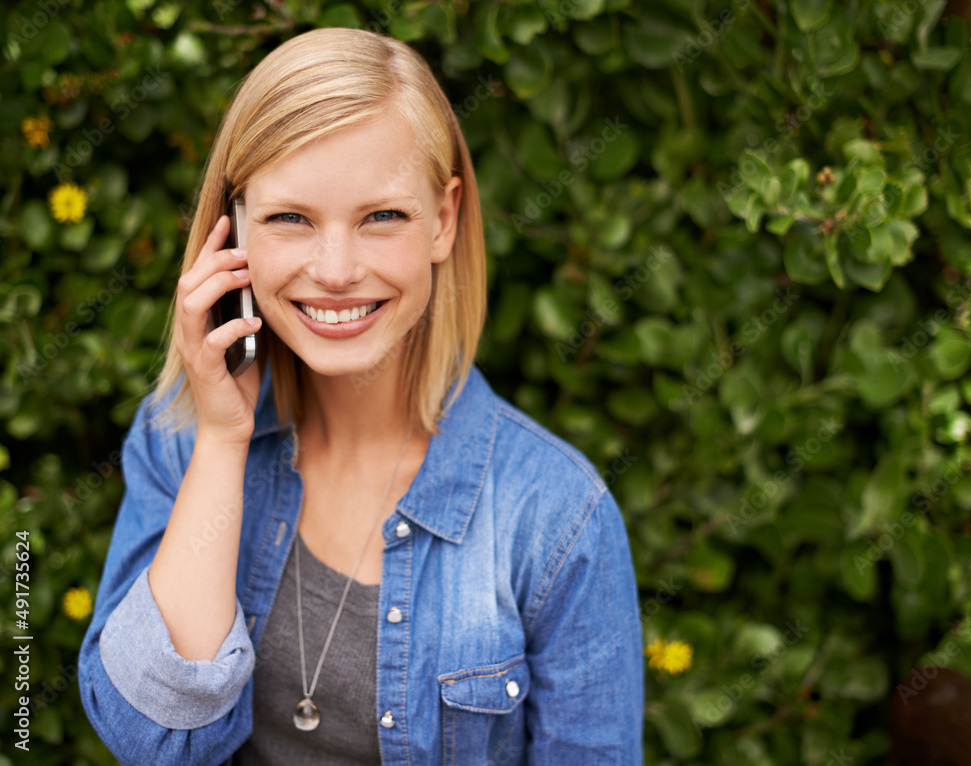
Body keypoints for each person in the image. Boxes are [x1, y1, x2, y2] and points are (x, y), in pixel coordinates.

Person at [79, 27, 643, 765]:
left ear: (442, 220)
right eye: (290, 218)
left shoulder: (558, 516)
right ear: (234, 229)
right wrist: (222, 439)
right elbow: (154, 742)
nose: (336, 270)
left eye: (382, 218)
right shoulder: (178, 439)